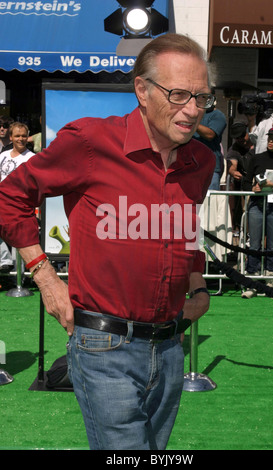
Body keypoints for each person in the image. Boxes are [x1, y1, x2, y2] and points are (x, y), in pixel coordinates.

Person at [0, 33, 215, 450]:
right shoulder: (91, 143)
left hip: (170, 345)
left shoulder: (200, 161)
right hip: (103, 344)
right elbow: (10, 195)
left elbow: (185, 228)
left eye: (202, 97)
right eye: (178, 94)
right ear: (142, 90)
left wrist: (198, 286)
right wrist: (44, 277)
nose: (192, 109)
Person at [241, 126, 273, 299]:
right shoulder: (256, 158)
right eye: (269, 137)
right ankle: (252, 281)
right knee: (254, 242)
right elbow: (246, 183)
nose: (271, 141)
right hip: (256, 203)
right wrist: (254, 188)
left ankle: (271, 279)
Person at [0, 122, 35, 271]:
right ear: (11, 137)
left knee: (18, 238)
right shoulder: (3, 155)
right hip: (2, 201)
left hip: (20, 203)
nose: (21, 139)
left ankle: (18, 277)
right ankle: (5, 261)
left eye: (24, 136)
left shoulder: (32, 158)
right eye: (17, 136)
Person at [194, 93, 227, 189]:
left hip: (210, 168)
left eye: (209, 97)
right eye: (203, 97)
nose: (206, 100)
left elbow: (210, 134)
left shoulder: (218, 115)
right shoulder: (193, 113)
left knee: (209, 201)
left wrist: (192, 122)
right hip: (190, 165)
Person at [226, 122, 254, 234]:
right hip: (244, 183)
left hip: (261, 182)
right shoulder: (233, 149)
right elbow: (232, 166)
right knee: (244, 210)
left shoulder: (258, 144)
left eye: (242, 136)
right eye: (237, 138)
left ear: (247, 132)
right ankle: (242, 233)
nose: (240, 139)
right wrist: (233, 172)